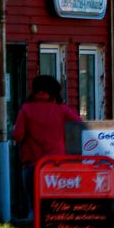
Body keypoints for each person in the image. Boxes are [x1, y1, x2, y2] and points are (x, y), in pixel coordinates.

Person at [12, 75, 82, 218]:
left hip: (33, 163)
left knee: (34, 206)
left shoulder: (26, 109)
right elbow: (78, 123)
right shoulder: (60, 109)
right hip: (57, 164)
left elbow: (17, 135)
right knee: (56, 204)